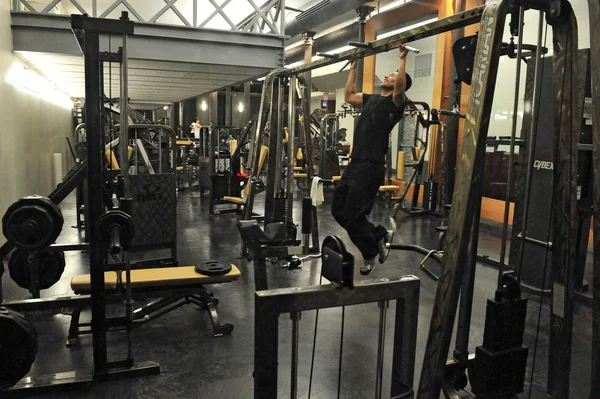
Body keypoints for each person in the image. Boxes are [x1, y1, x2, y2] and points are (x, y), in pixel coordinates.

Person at [332, 46, 412, 275]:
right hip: (355, 164)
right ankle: (379, 235)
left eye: (393, 75)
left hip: (371, 167)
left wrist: (402, 59)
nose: (387, 76)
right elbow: (348, 95)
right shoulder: (372, 100)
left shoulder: (396, 104)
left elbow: (399, 90)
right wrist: (354, 67)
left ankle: (369, 252)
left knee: (354, 213)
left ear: (402, 83)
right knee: (339, 210)